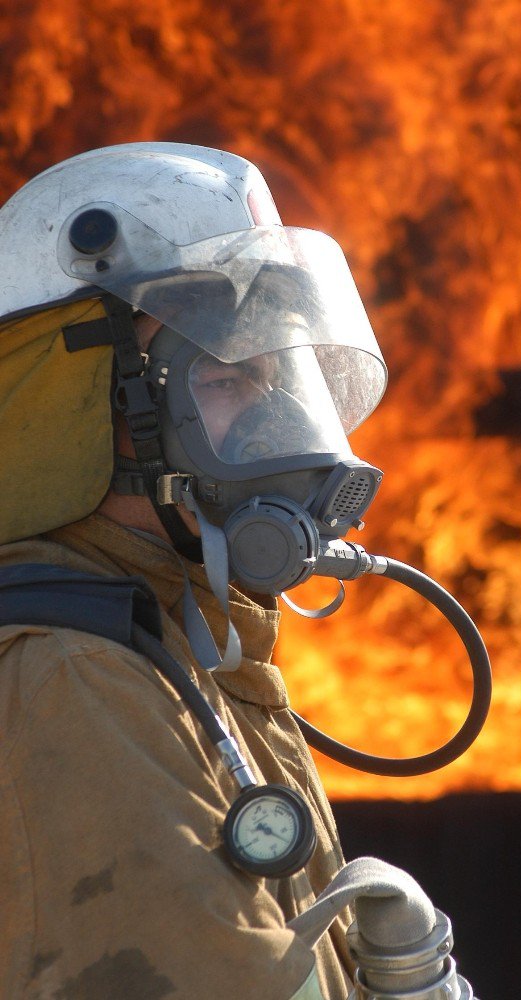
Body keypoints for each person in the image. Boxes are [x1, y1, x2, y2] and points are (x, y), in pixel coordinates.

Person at [0, 143, 388, 999]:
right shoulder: (72, 676)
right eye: (225, 376)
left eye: (278, 376)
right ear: (87, 405)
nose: (276, 417)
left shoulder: (173, 640)